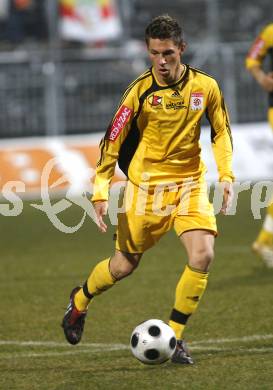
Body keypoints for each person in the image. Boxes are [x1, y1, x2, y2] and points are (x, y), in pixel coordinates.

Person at [62, 14, 234, 364]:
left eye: (168, 53)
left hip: (189, 184)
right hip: (145, 190)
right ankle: (79, 302)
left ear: (182, 49)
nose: (162, 61)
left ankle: (176, 338)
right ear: (147, 51)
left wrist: (227, 175)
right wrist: (100, 192)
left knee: (203, 255)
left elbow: (221, 132)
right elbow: (112, 141)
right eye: (155, 53)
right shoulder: (139, 92)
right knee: (124, 265)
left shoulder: (206, 87)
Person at [245, 23, 273, 268]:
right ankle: (265, 241)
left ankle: (265, 241)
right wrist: (262, 77)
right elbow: (253, 59)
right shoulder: (270, 32)